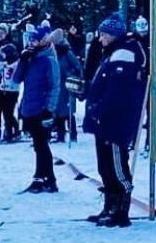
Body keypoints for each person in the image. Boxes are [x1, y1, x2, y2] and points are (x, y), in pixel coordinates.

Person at [83, 13, 148, 227]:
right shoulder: (112, 52)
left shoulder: (124, 53)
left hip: (115, 119)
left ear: (112, 35)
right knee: (105, 166)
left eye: (103, 35)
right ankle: (110, 205)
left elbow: (117, 89)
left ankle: (121, 208)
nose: (100, 39)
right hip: (105, 119)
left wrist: (100, 108)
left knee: (116, 165)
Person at [13, 26, 61, 193]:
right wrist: (22, 60)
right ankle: (48, 179)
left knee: (41, 145)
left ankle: (42, 179)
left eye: (34, 40)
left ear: (42, 41)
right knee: (38, 145)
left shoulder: (49, 60)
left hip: (41, 109)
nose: (30, 43)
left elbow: (54, 86)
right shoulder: (30, 58)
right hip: (29, 107)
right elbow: (16, 79)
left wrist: (49, 109)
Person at [51, 29, 82, 143]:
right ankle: (60, 135)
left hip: (67, 85)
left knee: (68, 111)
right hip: (57, 85)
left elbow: (77, 67)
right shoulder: (53, 52)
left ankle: (73, 134)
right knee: (58, 111)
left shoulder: (67, 52)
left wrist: (70, 74)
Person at [0, 43, 21, 142]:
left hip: (11, 91)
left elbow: (17, 76)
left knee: (8, 113)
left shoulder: (17, 63)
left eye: (3, 53)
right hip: (0, 89)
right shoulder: (0, 62)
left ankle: (12, 131)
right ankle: (4, 130)